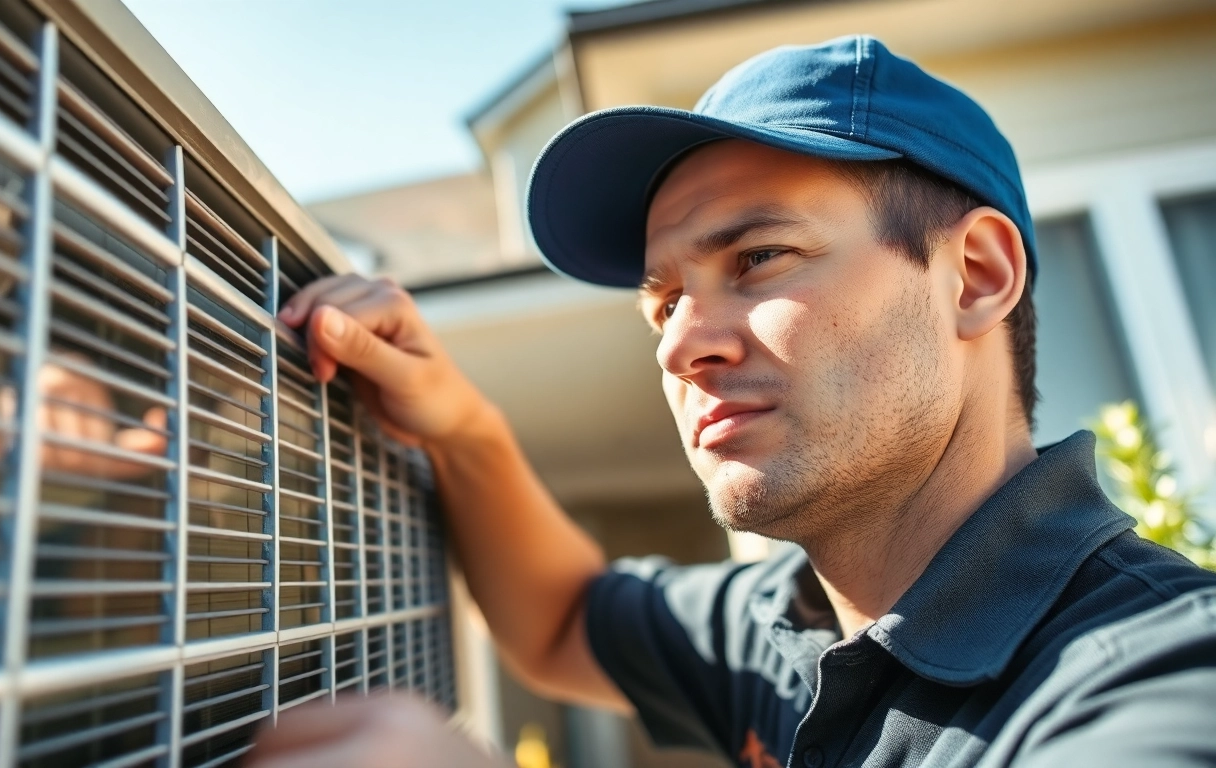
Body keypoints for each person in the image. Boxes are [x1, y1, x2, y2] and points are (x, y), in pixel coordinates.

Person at [271, 36, 1216, 767]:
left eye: (757, 259)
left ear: (972, 275)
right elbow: (561, 622)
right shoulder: (787, 624)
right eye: (664, 301)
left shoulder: (1158, 677)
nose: (681, 344)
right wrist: (462, 426)